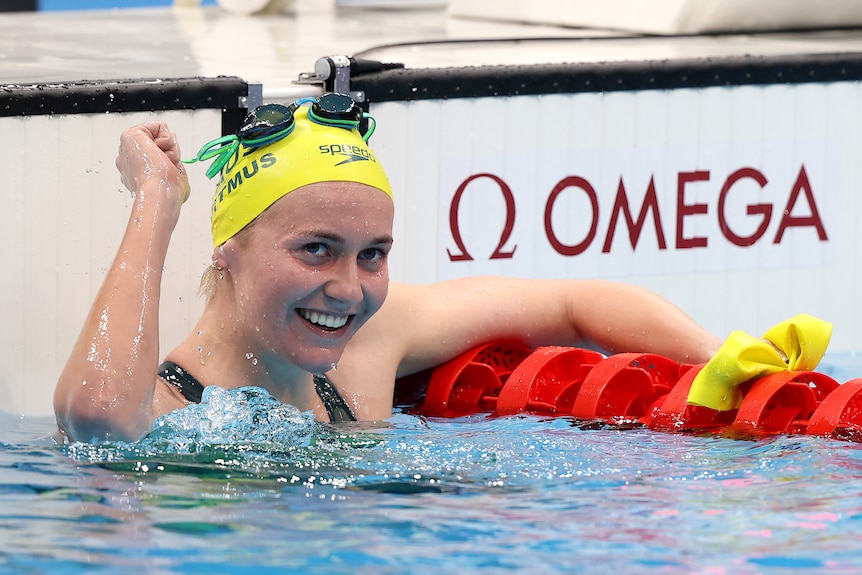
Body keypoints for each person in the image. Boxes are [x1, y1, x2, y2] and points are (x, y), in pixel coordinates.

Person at [53, 93, 722, 443]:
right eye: (315, 248)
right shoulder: (166, 403)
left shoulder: (374, 337)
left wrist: (722, 360)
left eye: (373, 254)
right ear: (227, 248)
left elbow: (575, 302)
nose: (348, 289)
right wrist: (156, 198)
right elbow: (95, 416)